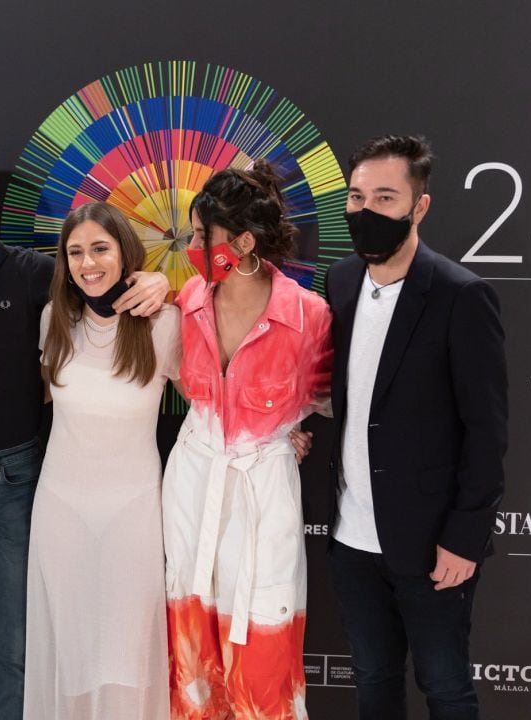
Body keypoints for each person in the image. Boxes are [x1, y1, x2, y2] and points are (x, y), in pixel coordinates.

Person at [0, 131, 169, 720]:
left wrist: (160, 281)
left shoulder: (36, 277)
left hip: (16, 479)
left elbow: (108, 288)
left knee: (16, 649)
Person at [325, 135, 507, 720]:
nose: (366, 210)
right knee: (374, 681)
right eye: (357, 196)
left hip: (432, 545)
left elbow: (487, 430)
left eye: (384, 197)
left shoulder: (461, 296)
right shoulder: (342, 281)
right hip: (353, 539)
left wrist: (465, 535)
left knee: (446, 685)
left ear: (418, 206)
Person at [161, 161, 332, 719]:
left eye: (198, 236)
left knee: (264, 642)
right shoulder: (188, 301)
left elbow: (330, 407)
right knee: (191, 652)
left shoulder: (308, 318)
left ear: (242, 242)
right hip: (192, 486)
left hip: (263, 497)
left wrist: (295, 433)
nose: (189, 246)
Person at [24, 201, 181, 720]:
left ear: (125, 252)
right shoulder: (55, 320)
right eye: (75, 252)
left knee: (129, 653)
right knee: (69, 653)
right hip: (61, 509)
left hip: (135, 513)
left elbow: (213, 401)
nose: (87, 263)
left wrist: (283, 431)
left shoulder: (165, 323)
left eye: (99, 248)